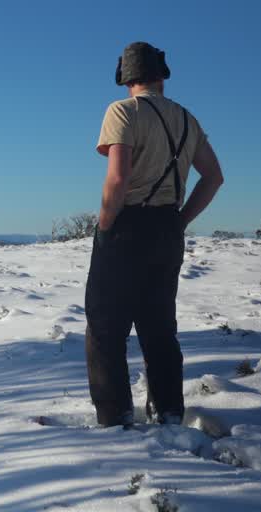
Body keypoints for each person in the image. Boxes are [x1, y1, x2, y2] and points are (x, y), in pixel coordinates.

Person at [86, 41, 223, 428]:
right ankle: (169, 412)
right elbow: (214, 177)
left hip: (127, 225)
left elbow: (118, 177)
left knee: (104, 325)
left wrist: (106, 224)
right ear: (161, 75)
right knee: (159, 325)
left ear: (125, 77)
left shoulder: (122, 111)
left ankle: (115, 417)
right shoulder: (186, 118)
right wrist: (180, 220)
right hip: (167, 230)